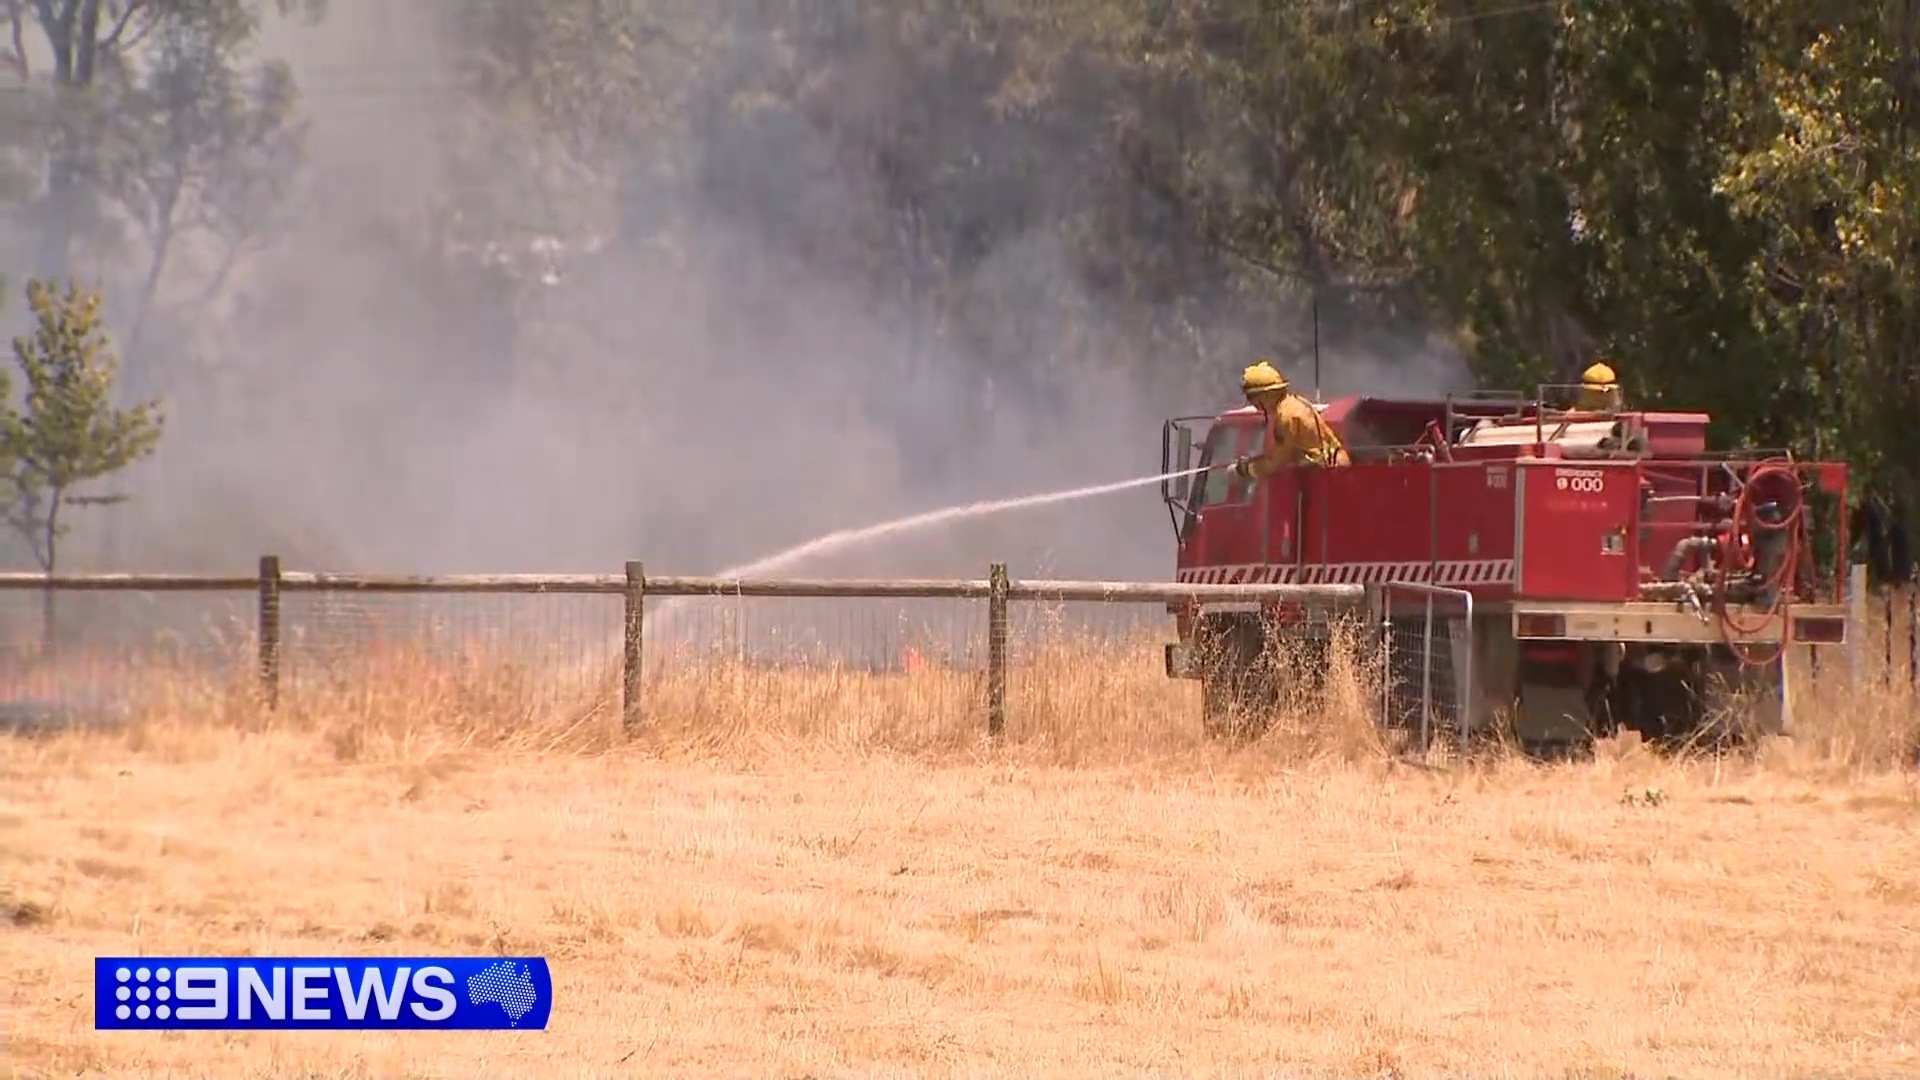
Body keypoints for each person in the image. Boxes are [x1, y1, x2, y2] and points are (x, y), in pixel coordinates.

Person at [1232, 359, 1351, 480]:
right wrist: (1254, 460)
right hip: (1330, 469)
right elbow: (1285, 452)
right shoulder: (1293, 403)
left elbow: (1276, 462)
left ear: (1268, 393)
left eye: (1252, 396)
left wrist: (1246, 470)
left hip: (1330, 474)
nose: (1252, 402)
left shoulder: (1286, 416)